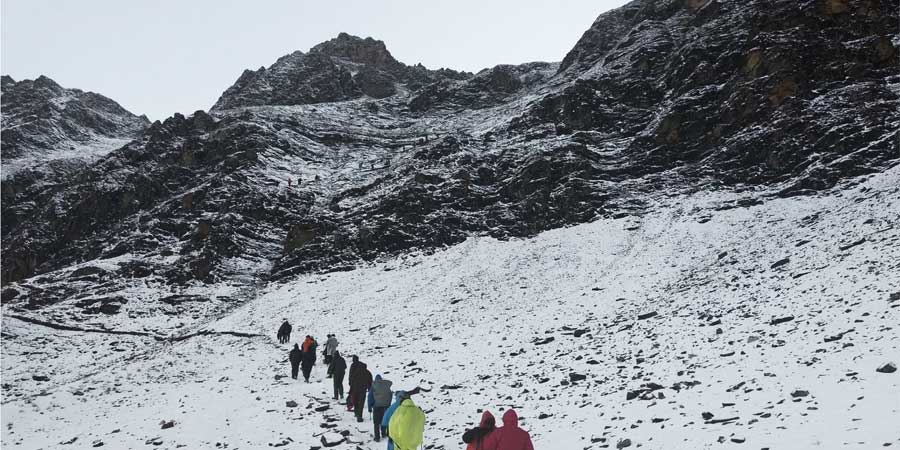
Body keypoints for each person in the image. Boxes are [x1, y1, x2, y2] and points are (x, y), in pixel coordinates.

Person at [368, 374, 393, 441]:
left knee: (376, 423)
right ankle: (384, 434)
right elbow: (390, 395)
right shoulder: (386, 386)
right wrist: (388, 404)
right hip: (386, 406)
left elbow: (370, 397)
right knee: (383, 420)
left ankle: (377, 437)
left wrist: (369, 407)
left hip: (376, 407)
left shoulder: (374, 386)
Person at [348, 356, 373, 422]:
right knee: (361, 403)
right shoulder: (368, 372)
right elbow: (370, 381)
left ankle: (356, 413)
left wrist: (350, 385)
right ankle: (360, 416)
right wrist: (369, 388)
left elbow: (351, 377)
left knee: (355, 401)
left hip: (355, 388)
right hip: (363, 389)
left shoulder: (355, 370)